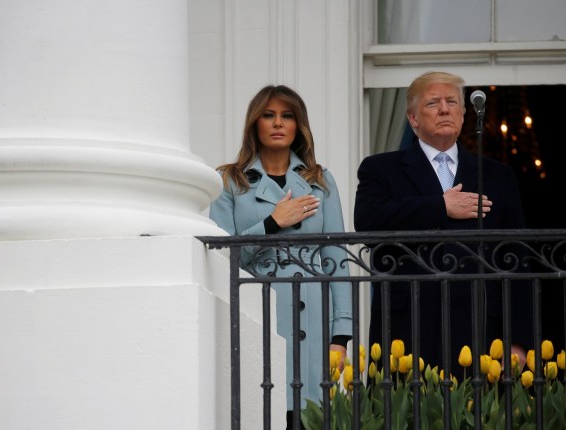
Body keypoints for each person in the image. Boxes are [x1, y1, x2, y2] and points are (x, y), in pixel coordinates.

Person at [354, 71, 532, 377]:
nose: (445, 108)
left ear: (464, 116)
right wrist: (440, 207)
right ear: (413, 118)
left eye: (452, 102)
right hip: (407, 323)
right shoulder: (381, 168)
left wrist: (519, 341)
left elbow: (517, 259)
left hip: (481, 325)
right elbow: (368, 222)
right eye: (433, 102)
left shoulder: (496, 175)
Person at [209, 84, 352, 428]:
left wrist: (341, 335)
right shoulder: (229, 181)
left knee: (312, 415)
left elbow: (337, 255)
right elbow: (223, 256)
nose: (278, 123)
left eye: (287, 116)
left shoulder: (320, 180)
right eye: (268, 115)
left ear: (298, 125)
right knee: (263, 409)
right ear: (254, 124)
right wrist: (273, 222)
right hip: (257, 308)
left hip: (313, 314)